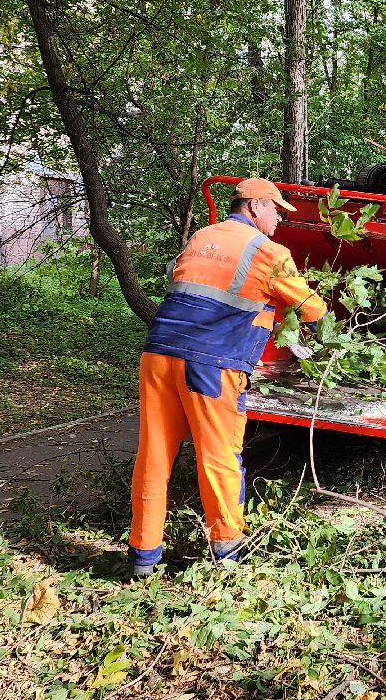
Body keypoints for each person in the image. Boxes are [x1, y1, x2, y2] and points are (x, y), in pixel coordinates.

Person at [128, 178, 326, 578]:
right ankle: (228, 554)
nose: (278, 221)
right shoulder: (270, 252)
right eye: (275, 211)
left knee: (153, 454)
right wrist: (329, 337)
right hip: (212, 366)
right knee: (219, 457)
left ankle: (143, 558)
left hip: (158, 355)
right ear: (255, 206)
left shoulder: (201, 237)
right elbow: (312, 309)